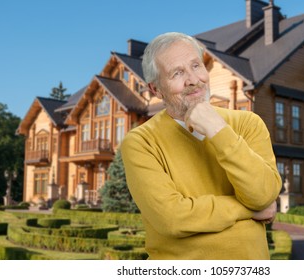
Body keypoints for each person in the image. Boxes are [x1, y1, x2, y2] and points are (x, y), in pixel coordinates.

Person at [121, 32, 282, 260]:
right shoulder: (140, 142)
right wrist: (248, 209)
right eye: (177, 73)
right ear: (156, 89)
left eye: (196, 66)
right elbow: (172, 219)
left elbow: (263, 195)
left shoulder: (248, 123)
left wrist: (218, 130)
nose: (193, 80)